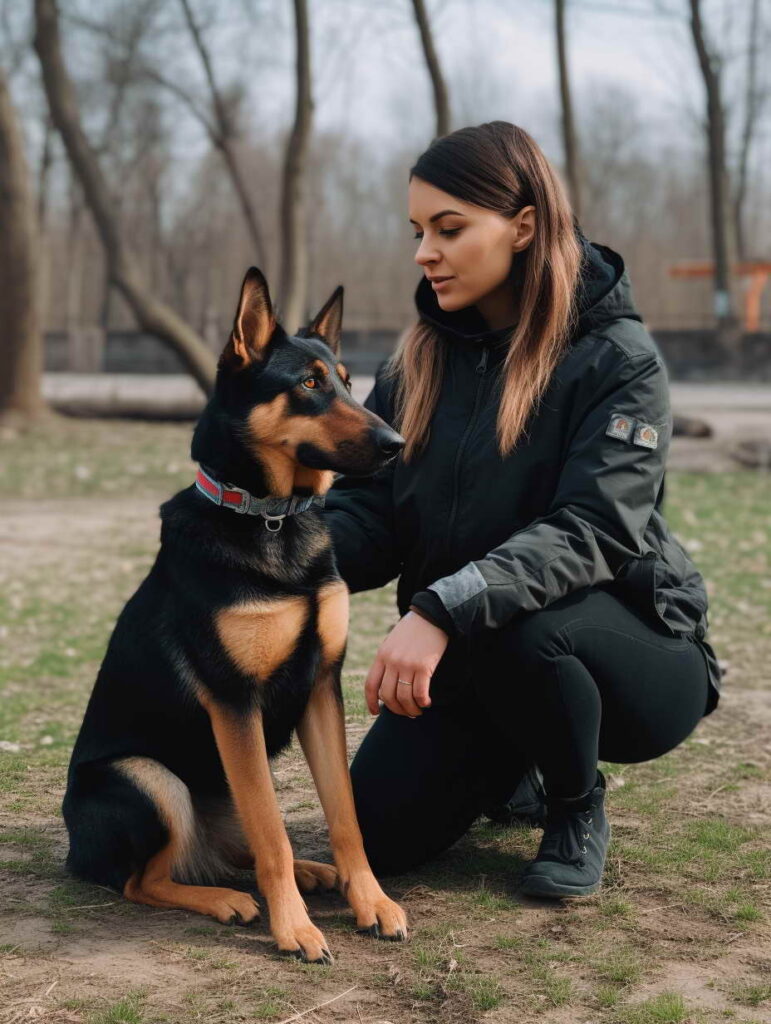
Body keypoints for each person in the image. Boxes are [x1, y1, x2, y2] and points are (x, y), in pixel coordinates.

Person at [320, 122, 721, 899]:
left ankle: (574, 805)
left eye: (448, 228)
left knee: (526, 626)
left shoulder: (616, 360)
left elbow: (595, 528)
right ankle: (511, 765)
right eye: (416, 231)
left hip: (627, 658)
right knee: (375, 842)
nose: (423, 253)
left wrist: (436, 611)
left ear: (524, 226)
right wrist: (294, 564)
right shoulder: (415, 361)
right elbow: (372, 511)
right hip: (476, 661)